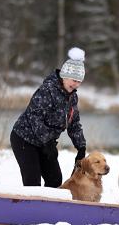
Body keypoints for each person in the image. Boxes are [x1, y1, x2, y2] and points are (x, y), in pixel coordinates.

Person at [10, 47, 87, 187]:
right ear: (64, 75)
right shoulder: (48, 90)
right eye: (73, 79)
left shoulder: (72, 98)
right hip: (24, 139)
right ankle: (30, 208)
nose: (75, 83)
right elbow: (34, 116)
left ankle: (48, 207)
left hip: (46, 143)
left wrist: (81, 147)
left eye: (79, 81)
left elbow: (74, 123)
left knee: (55, 180)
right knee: (32, 182)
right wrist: (47, 142)